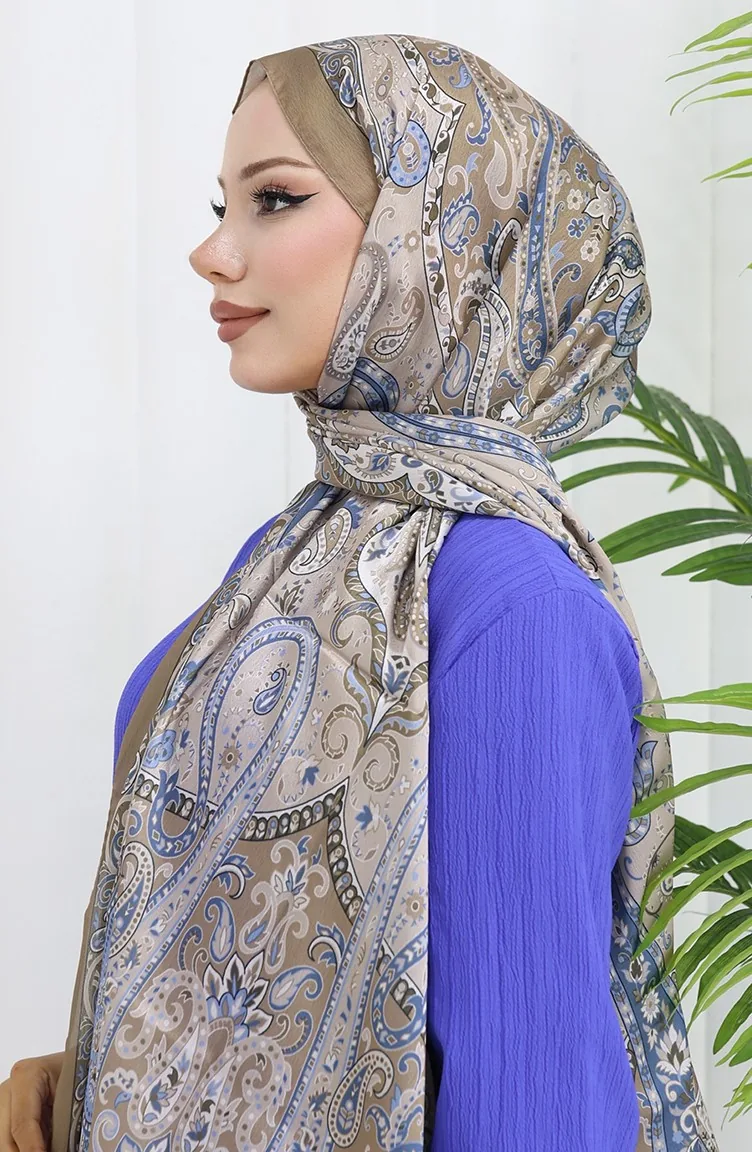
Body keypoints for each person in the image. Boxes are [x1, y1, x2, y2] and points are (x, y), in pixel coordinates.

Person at [1, 33, 718, 1152]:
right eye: (222, 205)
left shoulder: (510, 604)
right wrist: (99, 1074)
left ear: (435, 240)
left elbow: (538, 1104)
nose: (209, 252)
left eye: (275, 200)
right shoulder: (310, 546)